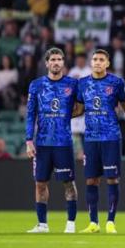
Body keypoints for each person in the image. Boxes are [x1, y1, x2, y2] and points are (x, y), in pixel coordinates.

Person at [25, 48, 81, 233]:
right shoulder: (36, 85)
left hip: (63, 142)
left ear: (63, 63)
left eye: (59, 59)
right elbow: (30, 114)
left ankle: (71, 224)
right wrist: (28, 140)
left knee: (69, 183)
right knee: (40, 183)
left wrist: (67, 116)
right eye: (53, 60)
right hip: (42, 143)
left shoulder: (72, 84)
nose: (56, 63)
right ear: (47, 63)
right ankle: (42, 225)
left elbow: (82, 105)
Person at [76, 49, 125, 234]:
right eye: (95, 59)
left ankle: (110, 221)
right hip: (90, 138)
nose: (98, 62)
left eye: (101, 59)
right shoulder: (83, 84)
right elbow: (79, 109)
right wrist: (59, 115)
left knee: (112, 179)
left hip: (111, 137)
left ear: (107, 63)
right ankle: (93, 222)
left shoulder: (116, 83)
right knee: (91, 180)